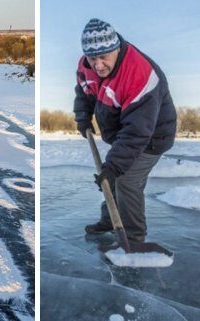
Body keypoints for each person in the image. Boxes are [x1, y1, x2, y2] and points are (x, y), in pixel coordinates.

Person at [74, 19, 176, 243]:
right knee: (114, 178)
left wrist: (113, 167)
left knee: (125, 180)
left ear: (116, 49)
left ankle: (132, 239)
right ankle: (110, 219)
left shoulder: (139, 74)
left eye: (104, 58)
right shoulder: (86, 65)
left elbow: (138, 132)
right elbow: (84, 92)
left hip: (152, 136)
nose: (98, 65)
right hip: (124, 132)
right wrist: (82, 117)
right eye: (93, 58)